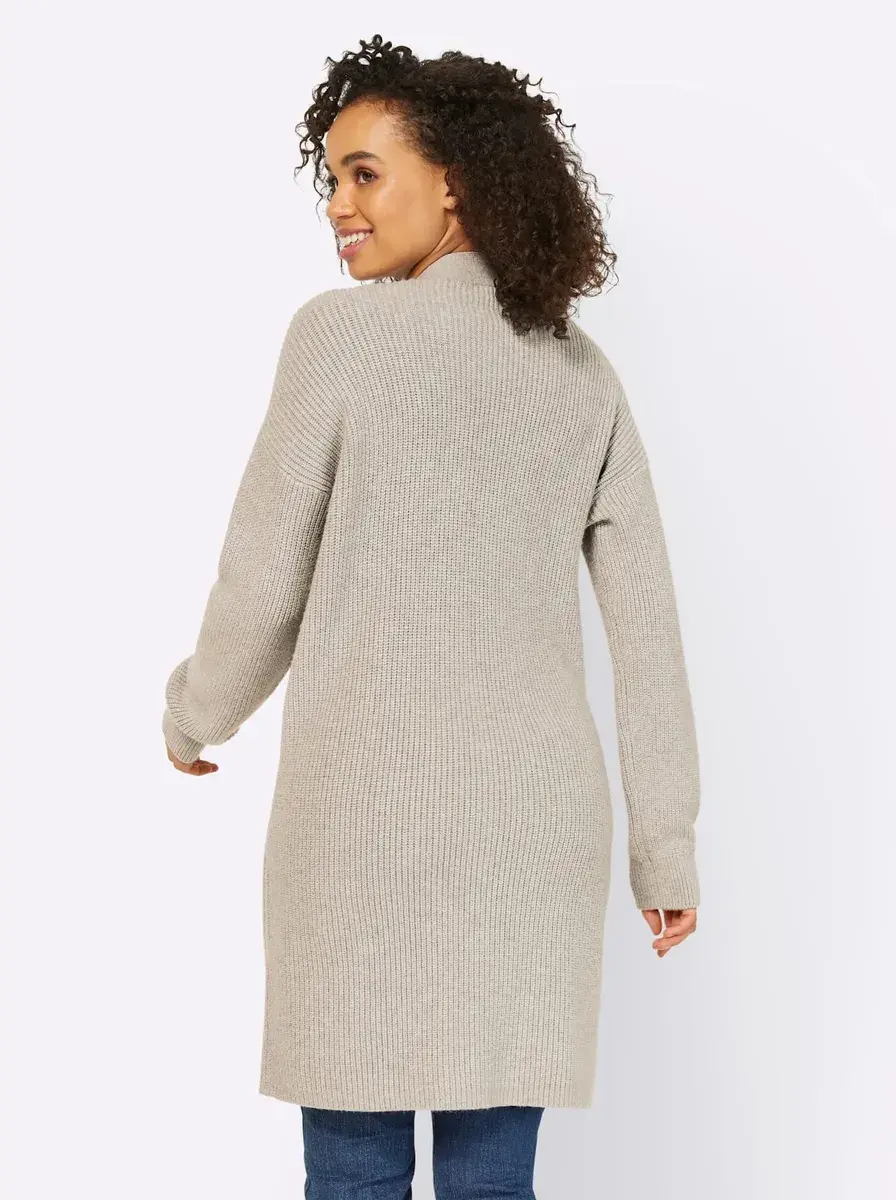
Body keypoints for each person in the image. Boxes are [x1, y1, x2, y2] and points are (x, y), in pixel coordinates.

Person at [161, 34, 701, 1200]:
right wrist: (663, 847)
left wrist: (192, 714)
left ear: (453, 180)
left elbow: (262, 583)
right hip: (532, 838)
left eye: (364, 173)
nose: (337, 206)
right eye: (330, 178)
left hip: (362, 826)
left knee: (352, 1179)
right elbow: (647, 629)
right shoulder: (580, 372)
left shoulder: (339, 338)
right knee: (494, 1186)